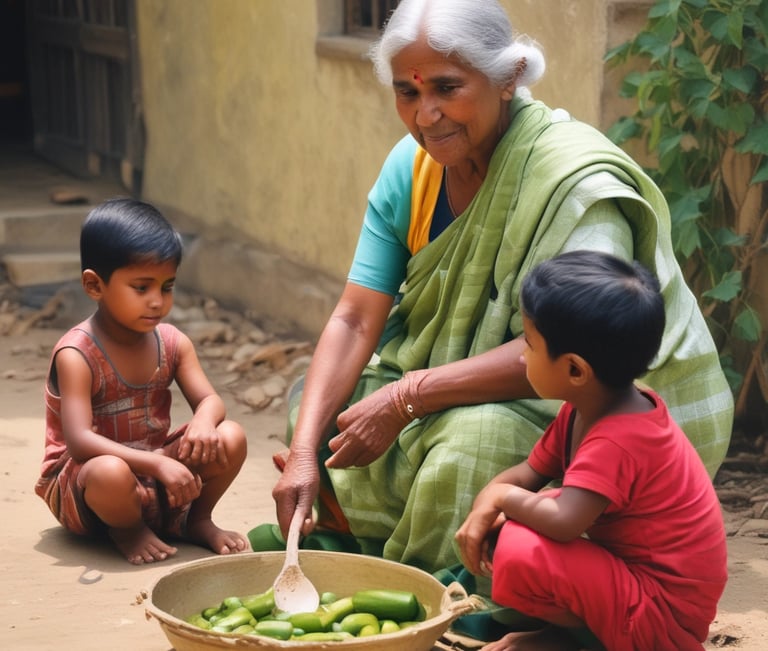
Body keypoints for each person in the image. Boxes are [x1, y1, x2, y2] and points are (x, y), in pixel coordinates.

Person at [267, 0, 733, 575]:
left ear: (509, 77)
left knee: (470, 449)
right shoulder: (411, 169)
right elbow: (355, 318)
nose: (426, 116)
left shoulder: (571, 182)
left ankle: (464, 583)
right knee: (312, 410)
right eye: (408, 93)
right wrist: (306, 456)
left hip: (577, 401)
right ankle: (385, 534)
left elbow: (579, 347)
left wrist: (407, 396)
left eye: (447, 87)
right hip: (448, 378)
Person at [455, 250, 728, 651]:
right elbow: (525, 476)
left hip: (663, 617)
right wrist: (487, 507)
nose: (520, 355)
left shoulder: (620, 438)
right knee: (515, 520)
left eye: (529, 344)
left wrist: (499, 497)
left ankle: (585, 642)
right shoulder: (586, 409)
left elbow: (564, 521)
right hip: (632, 584)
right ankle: (576, 636)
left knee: (519, 548)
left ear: (575, 370)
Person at [35, 198, 250, 565]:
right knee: (109, 471)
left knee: (230, 436)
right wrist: (156, 465)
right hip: (89, 487)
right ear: (94, 285)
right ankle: (128, 531)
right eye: (141, 287)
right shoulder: (77, 353)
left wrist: (202, 422)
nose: (157, 302)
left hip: (153, 473)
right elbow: (80, 442)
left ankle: (194, 520)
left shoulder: (172, 343)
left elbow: (211, 401)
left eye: (167, 287)